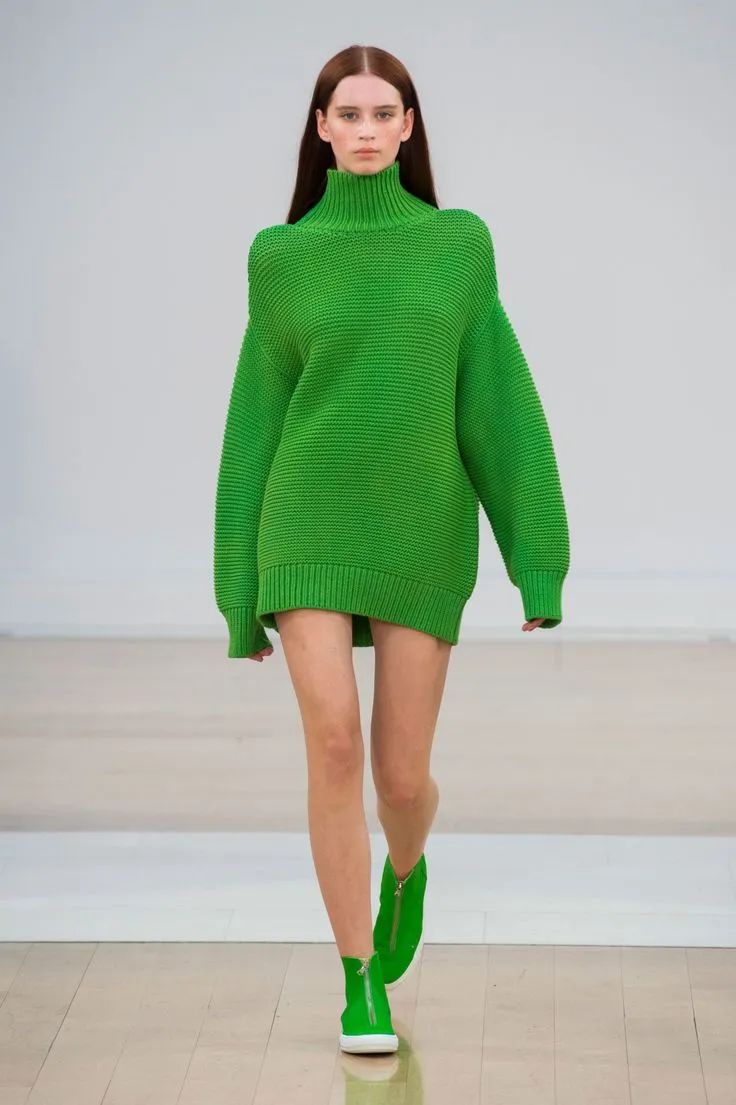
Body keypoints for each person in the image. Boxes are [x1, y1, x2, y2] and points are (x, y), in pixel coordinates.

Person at [213, 44, 570, 1054]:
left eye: (383, 114)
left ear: (409, 127)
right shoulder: (280, 257)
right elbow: (255, 419)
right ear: (320, 129)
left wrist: (536, 557)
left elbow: (496, 401)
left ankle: (405, 870)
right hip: (305, 520)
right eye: (348, 114)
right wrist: (237, 584)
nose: (366, 130)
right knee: (332, 745)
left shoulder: (458, 245)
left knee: (401, 778)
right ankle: (357, 975)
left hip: (419, 524)